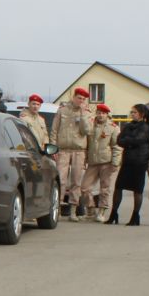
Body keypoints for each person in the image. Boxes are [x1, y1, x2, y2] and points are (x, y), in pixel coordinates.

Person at [109, 104, 149, 225]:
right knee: (118, 187)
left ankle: (135, 216)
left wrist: (127, 141)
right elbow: (119, 140)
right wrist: (129, 141)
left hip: (139, 162)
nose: (132, 114)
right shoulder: (128, 126)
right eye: (131, 112)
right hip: (127, 161)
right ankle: (114, 213)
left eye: (135, 112)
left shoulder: (146, 127)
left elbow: (139, 140)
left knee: (137, 190)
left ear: (141, 114)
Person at [53, 88, 92, 219]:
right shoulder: (62, 110)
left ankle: (74, 210)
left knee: (76, 181)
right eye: (79, 98)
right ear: (74, 97)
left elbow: (86, 131)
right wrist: (54, 149)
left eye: (83, 99)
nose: (81, 101)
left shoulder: (86, 112)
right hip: (63, 150)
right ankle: (56, 209)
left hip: (79, 151)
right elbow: (54, 130)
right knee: (61, 180)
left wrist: (82, 115)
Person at [85, 103, 121, 222]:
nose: (100, 115)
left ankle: (101, 211)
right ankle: (90, 209)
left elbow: (117, 146)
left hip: (107, 162)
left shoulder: (113, 127)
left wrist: (115, 162)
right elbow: (86, 143)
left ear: (107, 115)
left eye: (103, 113)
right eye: (99, 113)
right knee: (84, 187)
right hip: (92, 162)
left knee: (104, 188)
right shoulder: (91, 125)